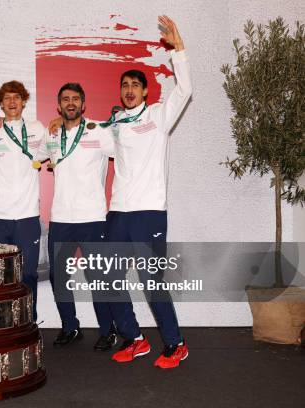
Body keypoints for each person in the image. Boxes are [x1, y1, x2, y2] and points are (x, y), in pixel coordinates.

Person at [105, 15, 193, 369]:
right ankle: (135, 339)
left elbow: (185, 90)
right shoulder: (114, 125)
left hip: (149, 212)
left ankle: (176, 344)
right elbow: (84, 139)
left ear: (144, 91)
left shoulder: (158, 115)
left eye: (134, 85)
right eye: (124, 85)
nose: (128, 90)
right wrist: (58, 127)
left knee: (151, 280)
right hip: (119, 213)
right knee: (109, 277)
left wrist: (179, 49)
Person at [45, 83, 116, 349]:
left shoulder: (99, 131)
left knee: (97, 277)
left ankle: (108, 331)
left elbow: (122, 149)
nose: (70, 103)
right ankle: (70, 327)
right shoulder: (51, 134)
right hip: (61, 217)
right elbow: (34, 154)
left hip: (92, 216)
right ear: (59, 105)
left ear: (83, 105)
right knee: (59, 277)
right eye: (65, 99)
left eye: (75, 99)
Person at [0, 81, 48, 321]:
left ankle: (29, 321)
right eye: (7, 98)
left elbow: (55, 147)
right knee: (0, 276)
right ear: (1, 103)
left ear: (23, 101)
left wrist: (58, 124)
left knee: (28, 273)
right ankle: (3, 324)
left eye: (16, 97)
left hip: (27, 215)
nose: (12, 102)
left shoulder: (38, 128)